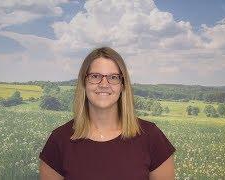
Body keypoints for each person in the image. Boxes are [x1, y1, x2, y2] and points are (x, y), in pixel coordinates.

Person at [39, 47, 176, 180]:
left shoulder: (151, 136)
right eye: (95, 76)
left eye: (113, 77)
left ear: (122, 85)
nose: (104, 84)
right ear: (84, 82)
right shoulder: (59, 140)